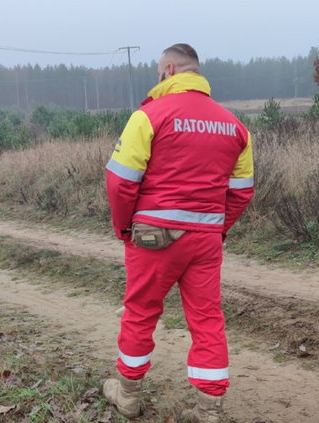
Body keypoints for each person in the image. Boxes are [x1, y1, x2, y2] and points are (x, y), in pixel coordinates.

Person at [103, 43, 254, 422]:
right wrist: (218, 228)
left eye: (159, 71)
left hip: (154, 236)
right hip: (205, 238)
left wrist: (124, 227)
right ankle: (209, 410)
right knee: (207, 319)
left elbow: (120, 180)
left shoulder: (149, 115)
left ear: (169, 70)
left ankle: (127, 395)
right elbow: (241, 191)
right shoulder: (235, 127)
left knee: (140, 312)